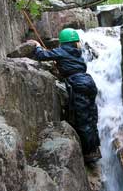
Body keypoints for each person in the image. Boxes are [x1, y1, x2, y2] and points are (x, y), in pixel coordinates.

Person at [29, 28, 101, 163]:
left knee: (82, 118)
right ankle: (95, 147)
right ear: (75, 42)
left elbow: (42, 56)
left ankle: (89, 153)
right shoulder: (77, 51)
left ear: (62, 42)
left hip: (78, 84)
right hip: (88, 82)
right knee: (91, 115)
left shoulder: (62, 51)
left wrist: (37, 46)